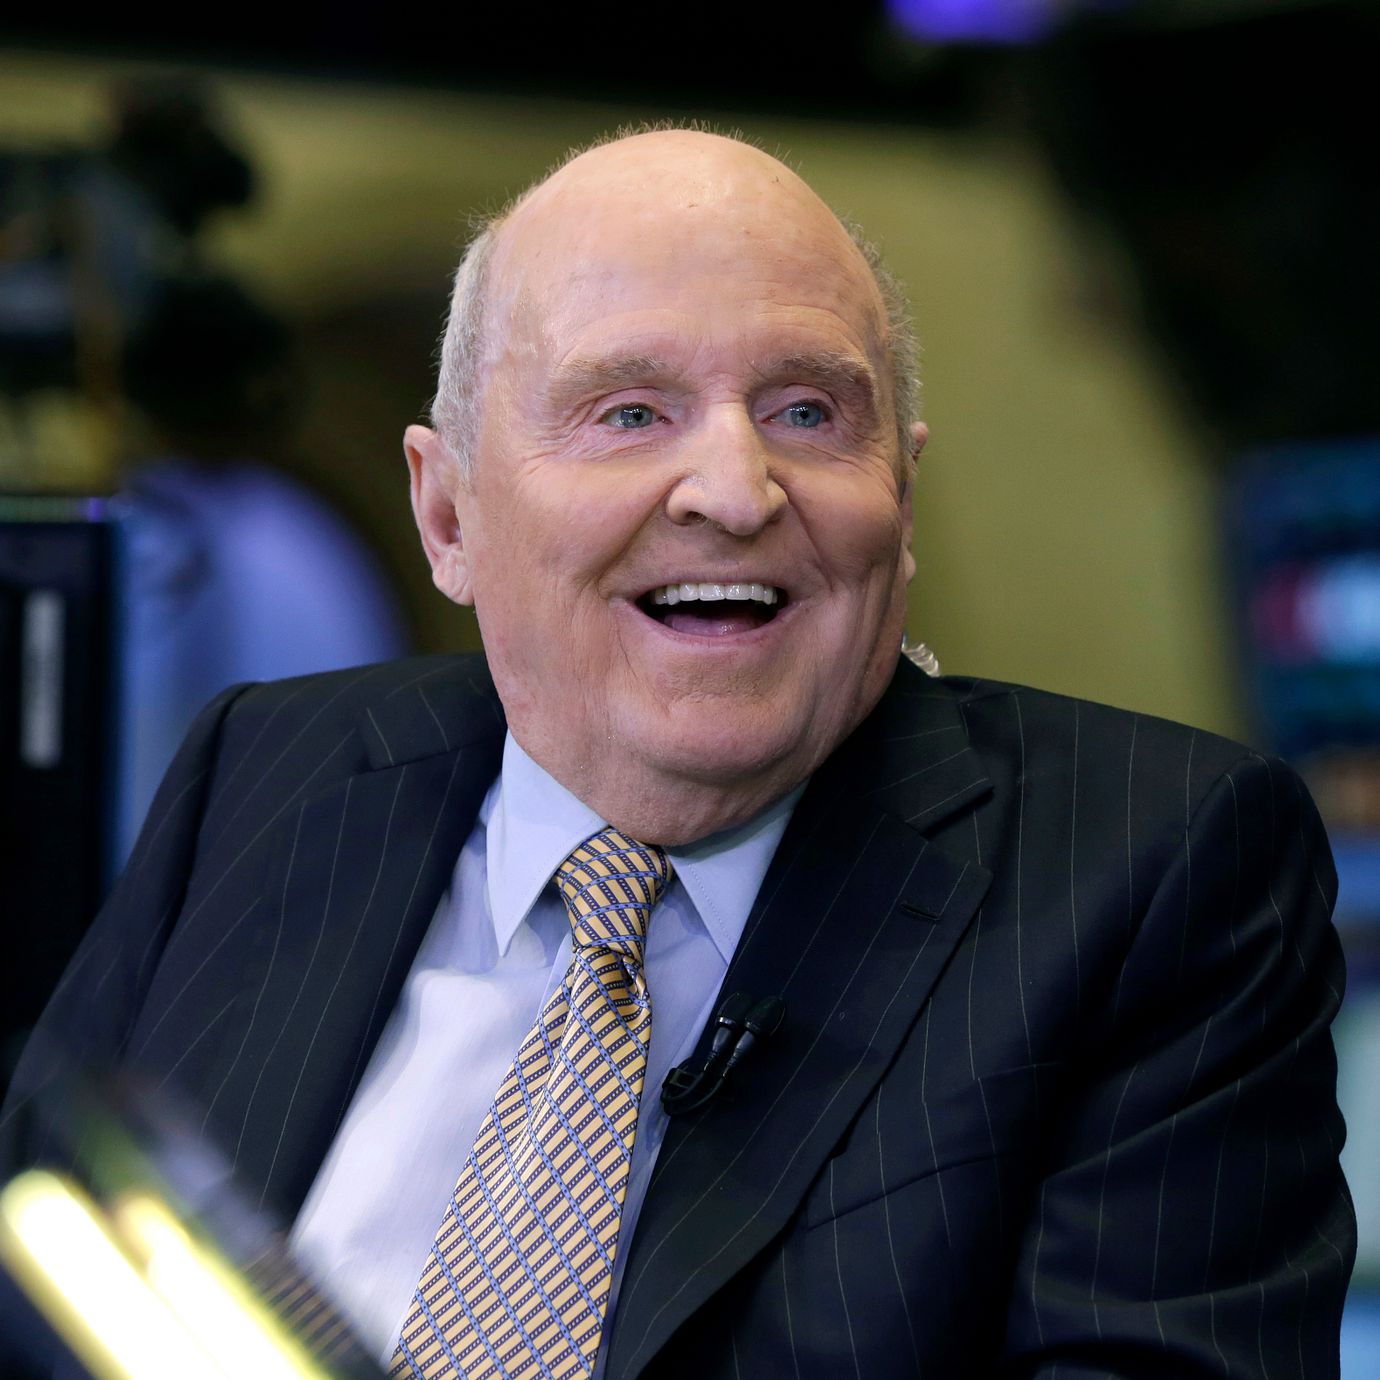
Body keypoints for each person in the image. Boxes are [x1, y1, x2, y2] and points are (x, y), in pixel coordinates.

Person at [1, 129, 1354, 1379]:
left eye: (808, 412)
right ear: (447, 513)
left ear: (902, 500)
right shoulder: (267, 771)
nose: (735, 490)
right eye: (631, 412)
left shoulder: (1151, 868)